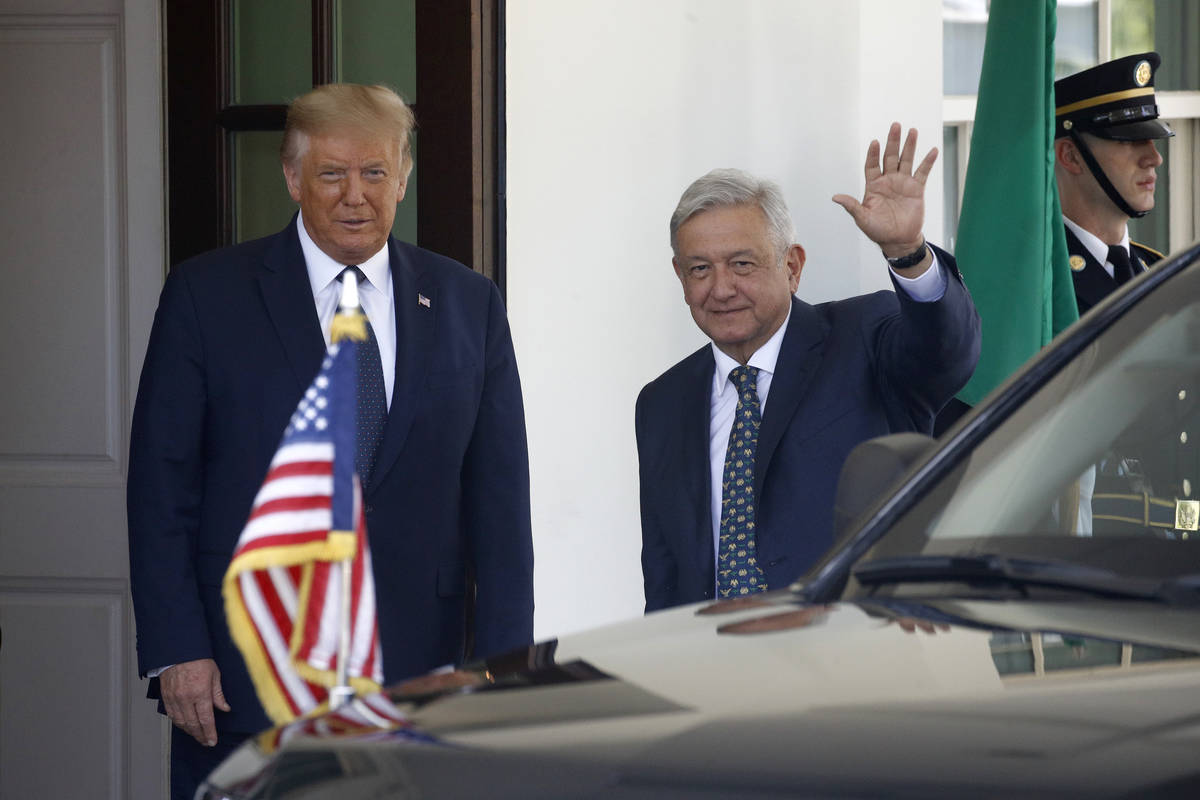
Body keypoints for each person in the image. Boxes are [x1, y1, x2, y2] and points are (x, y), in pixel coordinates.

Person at [127, 83, 534, 798]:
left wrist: (500, 667)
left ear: (403, 176)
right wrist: (177, 650)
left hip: (421, 675)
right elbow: (162, 490)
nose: (356, 196)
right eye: (331, 174)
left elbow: (500, 504)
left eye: (375, 173)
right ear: (292, 178)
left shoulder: (470, 303)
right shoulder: (205, 296)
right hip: (246, 672)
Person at [637, 124, 980, 612]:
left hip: (852, 660)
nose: (721, 288)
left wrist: (907, 253)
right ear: (680, 276)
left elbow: (948, 352)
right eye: (699, 269)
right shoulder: (662, 402)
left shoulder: (864, 337)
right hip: (716, 668)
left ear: (792, 267)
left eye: (742, 264)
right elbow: (666, 572)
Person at [1054, 52, 1174, 314]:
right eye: (1129, 141)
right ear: (1070, 156)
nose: (1155, 158)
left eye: (1152, 142)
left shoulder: (1159, 271)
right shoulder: (1039, 282)